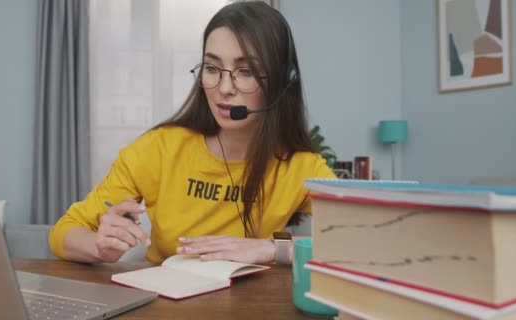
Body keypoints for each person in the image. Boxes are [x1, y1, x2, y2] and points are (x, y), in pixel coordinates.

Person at [48, 1, 335, 265]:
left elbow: (363, 242)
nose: (224, 88)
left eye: (246, 70)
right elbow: (63, 232)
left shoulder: (301, 167)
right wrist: (99, 245)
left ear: (283, 83)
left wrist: (271, 248)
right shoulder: (158, 149)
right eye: (212, 68)